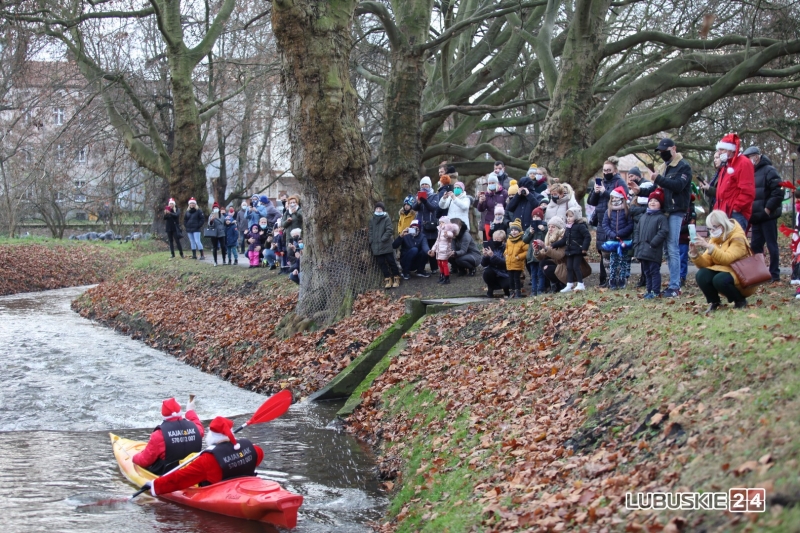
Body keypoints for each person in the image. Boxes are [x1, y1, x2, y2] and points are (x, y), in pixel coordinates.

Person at [144, 416, 263, 497]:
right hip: (246, 488)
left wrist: (155, 485)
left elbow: (180, 478)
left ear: (211, 436)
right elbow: (258, 455)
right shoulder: (252, 448)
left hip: (220, 494)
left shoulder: (208, 460)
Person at [690, 209, 757, 313]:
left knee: (719, 279)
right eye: (709, 228)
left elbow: (727, 259)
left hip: (742, 274)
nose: (711, 231)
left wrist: (709, 246)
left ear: (722, 225)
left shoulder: (738, 237)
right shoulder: (715, 238)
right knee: (701, 274)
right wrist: (695, 254)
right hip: (725, 270)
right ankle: (714, 302)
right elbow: (706, 263)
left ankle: (740, 301)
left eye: (714, 228)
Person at [651, 138, 692, 298]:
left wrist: (658, 179)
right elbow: (657, 189)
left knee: (673, 247)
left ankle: (675, 286)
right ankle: (673, 282)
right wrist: (639, 191)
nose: (662, 154)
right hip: (665, 209)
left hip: (676, 209)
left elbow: (677, 186)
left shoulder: (683, 166)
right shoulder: (664, 168)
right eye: (660, 151)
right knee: (668, 250)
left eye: (664, 151)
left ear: (674, 148)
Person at [132, 397, 203, 476]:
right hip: (191, 472)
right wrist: (190, 411)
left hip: (167, 475)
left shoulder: (159, 435)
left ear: (163, 415)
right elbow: (197, 423)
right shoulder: (196, 429)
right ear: (180, 412)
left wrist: (134, 457)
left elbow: (144, 461)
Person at [744, 146, 783, 282]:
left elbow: (778, 192)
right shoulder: (749, 173)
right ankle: (761, 273)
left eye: (748, 158)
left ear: (756, 156)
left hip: (767, 216)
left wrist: (768, 209)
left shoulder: (770, 170)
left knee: (772, 245)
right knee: (755, 246)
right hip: (756, 217)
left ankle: (774, 274)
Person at [586, 159, 628, 286]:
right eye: (604, 170)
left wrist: (606, 192)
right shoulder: (602, 182)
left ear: (614, 170)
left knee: (612, 250)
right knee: (602, 250)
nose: (606, 172)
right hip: (600, 219)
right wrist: (595, 191)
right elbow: (591, 202)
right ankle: (603, 279)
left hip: (614, 219)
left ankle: (615, 279)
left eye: (609, 170)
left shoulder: (619, 182)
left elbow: (623, 198)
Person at [714, 133, 755, 232]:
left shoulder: (743, 163)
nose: (719, 153)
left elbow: (747, 191)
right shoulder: (727, 164)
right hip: (724, 212)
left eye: (722, 150)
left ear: (731, 150)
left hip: (735, 214)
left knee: (735, 245)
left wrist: (736, 208)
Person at [634, 188, 670, 299]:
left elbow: (663, 231)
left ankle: (655, 291)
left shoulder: (661, 218)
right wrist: (636, 244)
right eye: (651, 200)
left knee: (654, 271)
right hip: (642, 249)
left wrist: (653, 243)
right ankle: (649, 290)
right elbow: (637, 231)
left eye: (656, 201)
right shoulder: (644, 216)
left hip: (653, 249)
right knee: (646, 272)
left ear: (660, 204)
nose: (652, 202)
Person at [550, 208, 592, 292]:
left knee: (576, 267)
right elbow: (564, 240)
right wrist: (554, 245)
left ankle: (580, 283)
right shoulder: (568, 227)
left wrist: (584, 248)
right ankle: (569, 284)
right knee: (569, 267)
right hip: (569, 250)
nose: (568, 218)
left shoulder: (581, 226)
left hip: (577, 250)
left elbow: (587, 236)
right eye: (567, 216)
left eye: (570, 216)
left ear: (576, 216)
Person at [601, 186, 634, 289]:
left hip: (624, 240)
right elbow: (605, 224)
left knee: (623, 260)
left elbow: (630, 225)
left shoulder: (626, 210)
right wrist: (612, 234)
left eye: (616, 197)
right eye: (613, 198)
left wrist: (621, 233)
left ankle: (622, 279)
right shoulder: (608, 211)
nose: (614, 199)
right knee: (613, 260)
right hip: (612, 240)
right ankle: (612, 279)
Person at [413, 176, 441, 275]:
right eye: (423, 184)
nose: (424, 186)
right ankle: (421, 268)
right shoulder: (417, 195)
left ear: (430, 185)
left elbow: (433, 207)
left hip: (431, 225)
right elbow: (414, 208)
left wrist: (425, 200)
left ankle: (434, 267)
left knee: (432, 245)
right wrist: (418, 202)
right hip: (421, 226)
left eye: (426, 184)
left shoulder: (434, 196)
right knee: (423, 246)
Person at [369, 202, 400, 289]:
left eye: (380, 209)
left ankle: (396, 277)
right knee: (381, 263)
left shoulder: (386, 218)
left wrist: (383, 239)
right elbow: (370, 231)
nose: (378, 210)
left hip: (385, 244)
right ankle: (387, 279)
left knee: (391, 262)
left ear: (383, 210)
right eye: (377, 208)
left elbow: (389, 230)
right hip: (376, 246)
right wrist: (371, 240)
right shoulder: (372, 220)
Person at [523, 207, 548, 296]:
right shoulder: (529, 228)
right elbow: (524, 240)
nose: (535, 219)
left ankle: (540, 289)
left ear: (541, 217)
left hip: (541, 254)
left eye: (537, 217)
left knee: (540, 273)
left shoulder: (545, 227)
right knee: (533, 274)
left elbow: (548, 237)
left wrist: (544, 230)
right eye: (534, 217)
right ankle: (534, 291)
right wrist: (530, 233)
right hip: (531, 255)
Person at [428, 215, 460, 285]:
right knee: (439, 263)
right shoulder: (439, 231)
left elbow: (450, 235)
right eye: (440, 222)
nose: (441, 224)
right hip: (439, 250)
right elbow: (437, 241)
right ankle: (442, 275)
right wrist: (433, 249)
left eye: (442, 222)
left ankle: (446, 277)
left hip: (445, 250)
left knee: (444, 263)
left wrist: (447, 234)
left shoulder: (448, 230)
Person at [481, 230, 511, 298]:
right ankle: (490, 289)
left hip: (504, 273)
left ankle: (506, 291)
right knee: (487, 272)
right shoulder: (490, 247)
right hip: (492, 272)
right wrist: (485, 256)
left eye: (498, 239)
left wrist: (492, 256)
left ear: (503, 241)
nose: (495, 241)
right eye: (494, 239)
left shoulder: (506, 248)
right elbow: (483, 264)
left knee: (506, 284)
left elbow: (505, 264)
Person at [477, 174, 507, 241]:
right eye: (489, 183)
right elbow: (481, 209)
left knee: (500, 240)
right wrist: (481, 202)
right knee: (490, 241)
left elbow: (507, 207)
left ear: (497, 183)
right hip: (489, 222)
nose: (491, 184)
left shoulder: (504, 193)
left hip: (501, 222)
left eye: (492, 183)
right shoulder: (486, 195)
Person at [504, 219, 529, 298]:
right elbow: (506, 249)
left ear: (519, 231)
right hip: (510, 263)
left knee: (517, 279)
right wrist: (506, 255)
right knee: (510, 279)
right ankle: (512, 292)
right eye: (512, 230)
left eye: (516, 230)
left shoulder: (522, 240)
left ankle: (518, 292)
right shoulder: (509, 240)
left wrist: (519, 257)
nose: (514, 232)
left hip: (518, 263)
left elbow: (527, 251)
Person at [678, 195, 698, 286]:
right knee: (675, 258)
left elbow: (691, 225)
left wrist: (678, 229)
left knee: (682, 258)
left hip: (684, 238)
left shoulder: (691, 211)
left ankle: (682, 277)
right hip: (675, 238)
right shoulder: (677, 208)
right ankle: (676, 276)